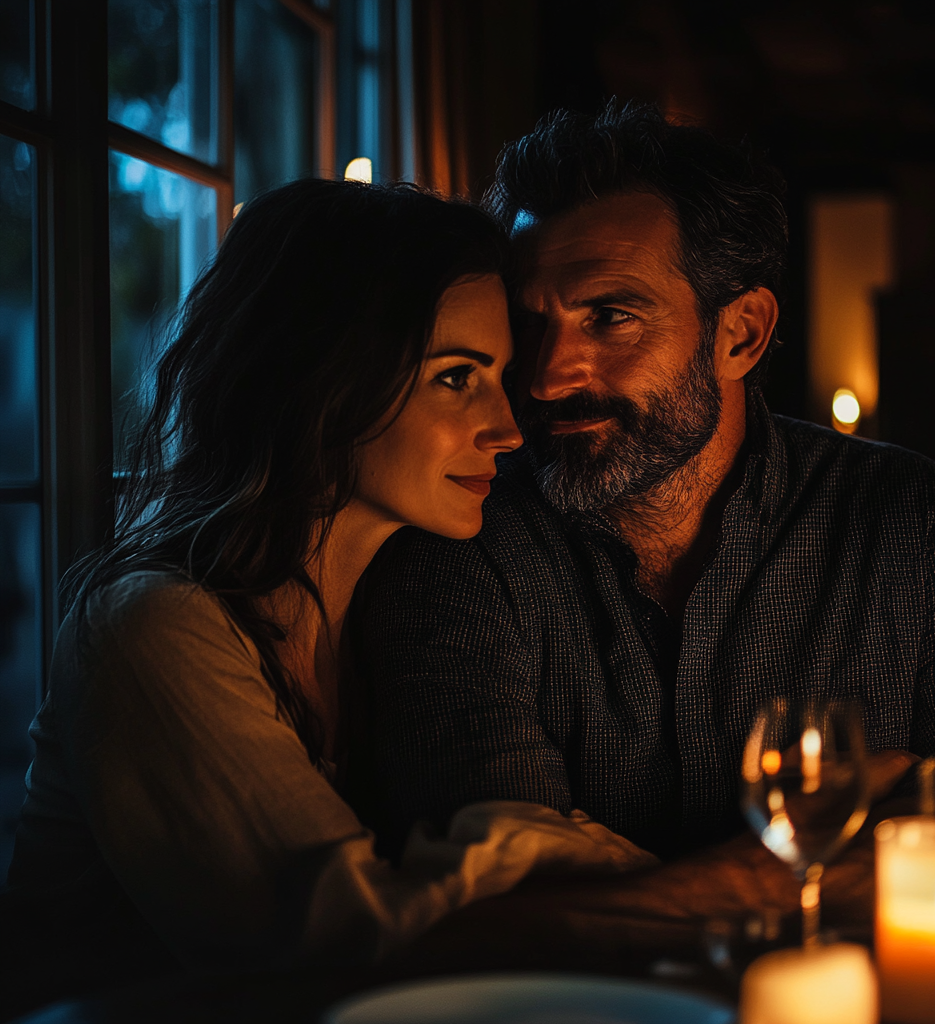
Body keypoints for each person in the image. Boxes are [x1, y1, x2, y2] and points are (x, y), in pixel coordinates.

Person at [0, 179, 656, 1012]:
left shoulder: (399, 610)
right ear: (324, 379)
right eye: (457, 378)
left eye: (499, 376)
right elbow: (332, 936)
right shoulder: (150, 629)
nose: (509, 428)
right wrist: (554, 847)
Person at [358, 103, 935, 862]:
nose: (545, 379)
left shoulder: (933, 531)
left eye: (609, 317)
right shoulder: (462, 538)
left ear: (740, 334)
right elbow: (506, 900)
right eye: (531, 324)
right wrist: (821, 849)